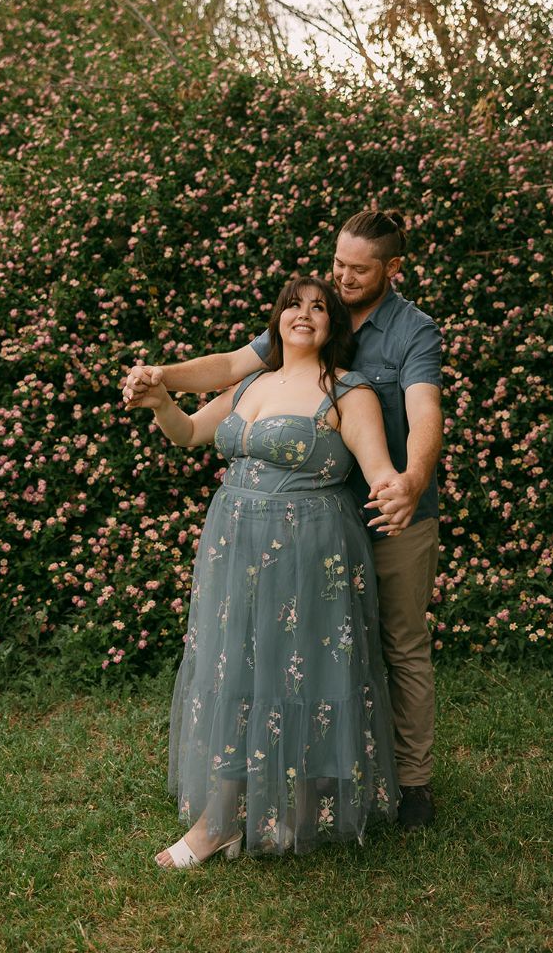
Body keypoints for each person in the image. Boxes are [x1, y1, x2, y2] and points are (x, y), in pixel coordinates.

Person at [124, 209, 443, 830]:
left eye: (358, 271)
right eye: (337, 266)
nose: (342, 280)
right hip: (276, 529)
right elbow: (220, 375)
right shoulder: (296, 331)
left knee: (397, 646)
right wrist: (162, 380)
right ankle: (271, 780)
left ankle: (411, 783)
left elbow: (423, 411)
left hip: (385, 510)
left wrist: (409, 482)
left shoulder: (410, 333)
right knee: (284, 648)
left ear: (392, 269)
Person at [140, 277, 400, 867]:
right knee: (238, 669)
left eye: (319, 308)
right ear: (277, 318)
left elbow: (377, 466)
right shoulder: (252, 382)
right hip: (236, 542)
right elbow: (187, 434)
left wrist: (396, 489)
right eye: (293, 304)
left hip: (309, 548)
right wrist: (161, 404)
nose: (304, 314)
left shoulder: (347, 391)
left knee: (294, 670)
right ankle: (237, 814)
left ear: (333, 325)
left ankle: (235, 818)